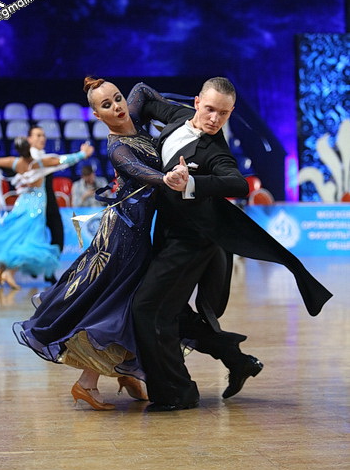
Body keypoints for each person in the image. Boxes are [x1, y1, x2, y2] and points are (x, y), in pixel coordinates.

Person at [132, 78, 333, 411]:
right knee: (174, 313)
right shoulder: (177, 115)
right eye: (210, 109)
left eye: (223, 114)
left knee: (147, 308)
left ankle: (178, 392)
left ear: (231, 113)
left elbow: (238, 184)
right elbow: (142, 94)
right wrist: (127, 129)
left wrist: (192, 182)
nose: (214, 119)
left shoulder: (215, 150)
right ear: (197, 102)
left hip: (193, 240)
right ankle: (236, 360)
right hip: (167, 232)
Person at [13, 78, 188, 410]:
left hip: (137, 232)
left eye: (117, 98)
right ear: (97, 115)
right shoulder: (117, 148)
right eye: (106, 105)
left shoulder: (131, 111)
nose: (117, 107)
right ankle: (90, 382)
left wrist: (186, 106)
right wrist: (166, 178)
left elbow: (142, 89)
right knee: (116, 305)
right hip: (124, 237)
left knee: (132, 304)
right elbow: (140, 171)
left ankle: (126, 371)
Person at [0, 137, 93, 289]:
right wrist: (82, 154)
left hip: (21, 205)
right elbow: (63, 160)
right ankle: (9, 272)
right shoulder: (39, 163)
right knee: (30, 243)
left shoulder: (15, 162)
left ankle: (4, 267)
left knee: (15, 238)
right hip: (36, 209)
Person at [27, 125, 64, 283]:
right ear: (29, 139)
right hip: (34, 205)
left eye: (43, 135)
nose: (42, 138)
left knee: (59, 238)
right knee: (33, 240)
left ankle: (50, 271)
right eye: (38, 135)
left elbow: (62, 162)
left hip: (50, 204)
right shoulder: (26, 159)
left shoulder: (46, 157)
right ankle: (33, 267)